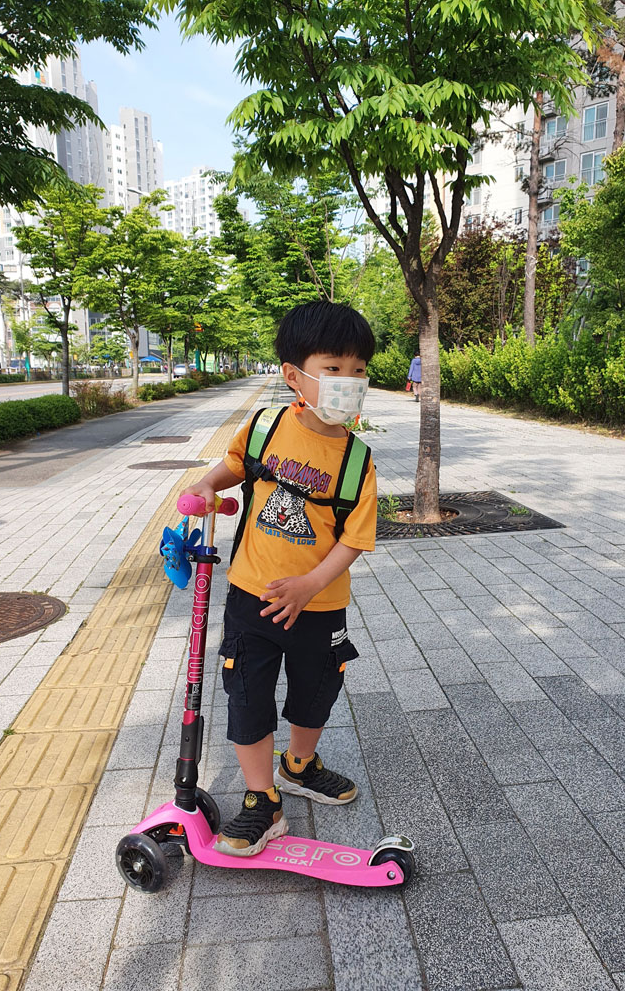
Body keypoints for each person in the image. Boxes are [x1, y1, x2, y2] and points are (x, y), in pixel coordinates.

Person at [181, 301, 377, 856]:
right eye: (333, 368)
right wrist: (204, 487)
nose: (349, 381)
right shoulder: (265, 426)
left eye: (358, 370)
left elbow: (356, 539)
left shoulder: (358, 461)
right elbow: (234, 467)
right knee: (246, 693)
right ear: (294, 375)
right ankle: (261, 799)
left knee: (317, 691)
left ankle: (299, 763)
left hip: (319, 604)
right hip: (252, 597)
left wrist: (311, 585)